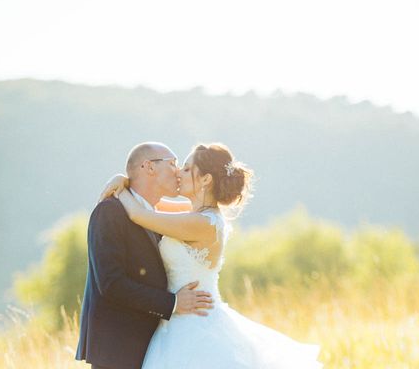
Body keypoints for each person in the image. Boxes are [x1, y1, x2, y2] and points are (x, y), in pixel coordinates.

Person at [100, 142, 322, 368]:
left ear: (206, 179)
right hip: (178, 319)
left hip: (194, 323)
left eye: (186, 169)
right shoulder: (196, 215)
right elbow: (149, 204)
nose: (179, 173)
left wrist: (119, 186)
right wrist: (128, 180)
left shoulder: (202, 223)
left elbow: (139, 214)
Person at [76, 142, 214, 369]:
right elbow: (111, 283)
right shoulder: (110, 211)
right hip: (119, 351)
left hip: (154, 346)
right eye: (173, 164)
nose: (178, 171)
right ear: (149, 167)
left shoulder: (152, 215)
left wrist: (124, 180)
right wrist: (173, 303)